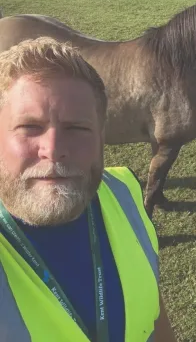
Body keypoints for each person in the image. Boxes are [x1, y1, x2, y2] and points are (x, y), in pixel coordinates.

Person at [0, 37, 176, 342]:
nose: (53, 150)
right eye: (30, 127)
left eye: (77, 128)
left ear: (101, 134)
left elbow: (152, 310)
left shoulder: (124, 191)